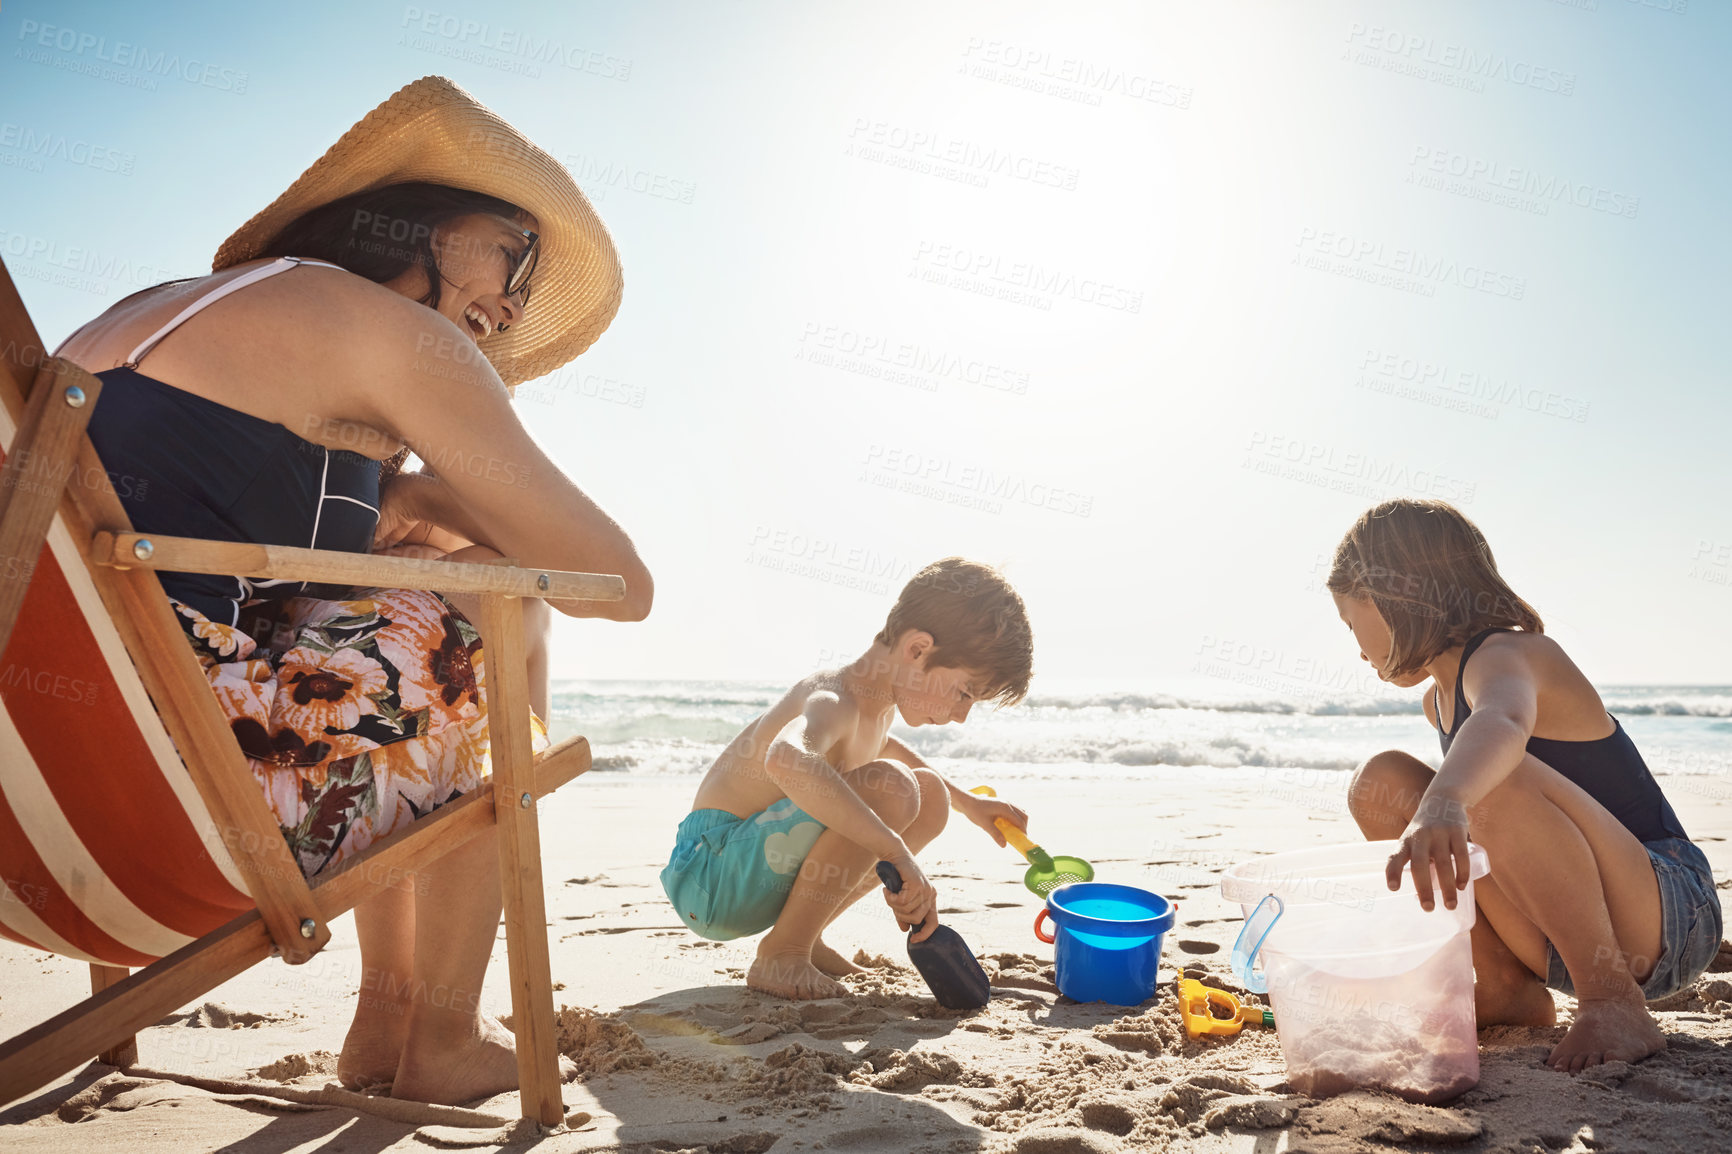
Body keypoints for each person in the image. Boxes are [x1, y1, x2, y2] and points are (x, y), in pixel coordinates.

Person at [55, 76, 653, 1105]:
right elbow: (618, 582)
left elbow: (305, 573)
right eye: (510, 253)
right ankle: (442, 1031)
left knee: (411, 603)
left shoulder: (156, 314)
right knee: (496, 602)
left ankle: (387, 1012)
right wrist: (464, 488)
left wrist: (412, 486)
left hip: (56, 801)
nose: (511, 304)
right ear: (412, 223)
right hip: (188, 795)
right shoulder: (388, 328)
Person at [1327, 498, 1721, 1073]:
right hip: (1551, 935)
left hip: (1665, 908)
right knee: (1379, 782)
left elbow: (1503, 724)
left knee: (1486, 775)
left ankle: (1612, 1000)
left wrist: (1446, 801)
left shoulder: (1510, 655)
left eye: (1350, 620)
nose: (1355, 645)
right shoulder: (1437, 702)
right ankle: (1504, 984)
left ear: (1399, 597)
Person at [661, 557, 1034, 999]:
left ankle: (806, 935)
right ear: (918, 650)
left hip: (748, 870)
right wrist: (895, 852)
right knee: (894, 786)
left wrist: (969, 804)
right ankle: (782, 953)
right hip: (711, 873)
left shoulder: (877, 707)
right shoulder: (834, 697)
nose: (961, 715)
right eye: (964, 692)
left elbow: (893, 751)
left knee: (928, 793)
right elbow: (785, 756)